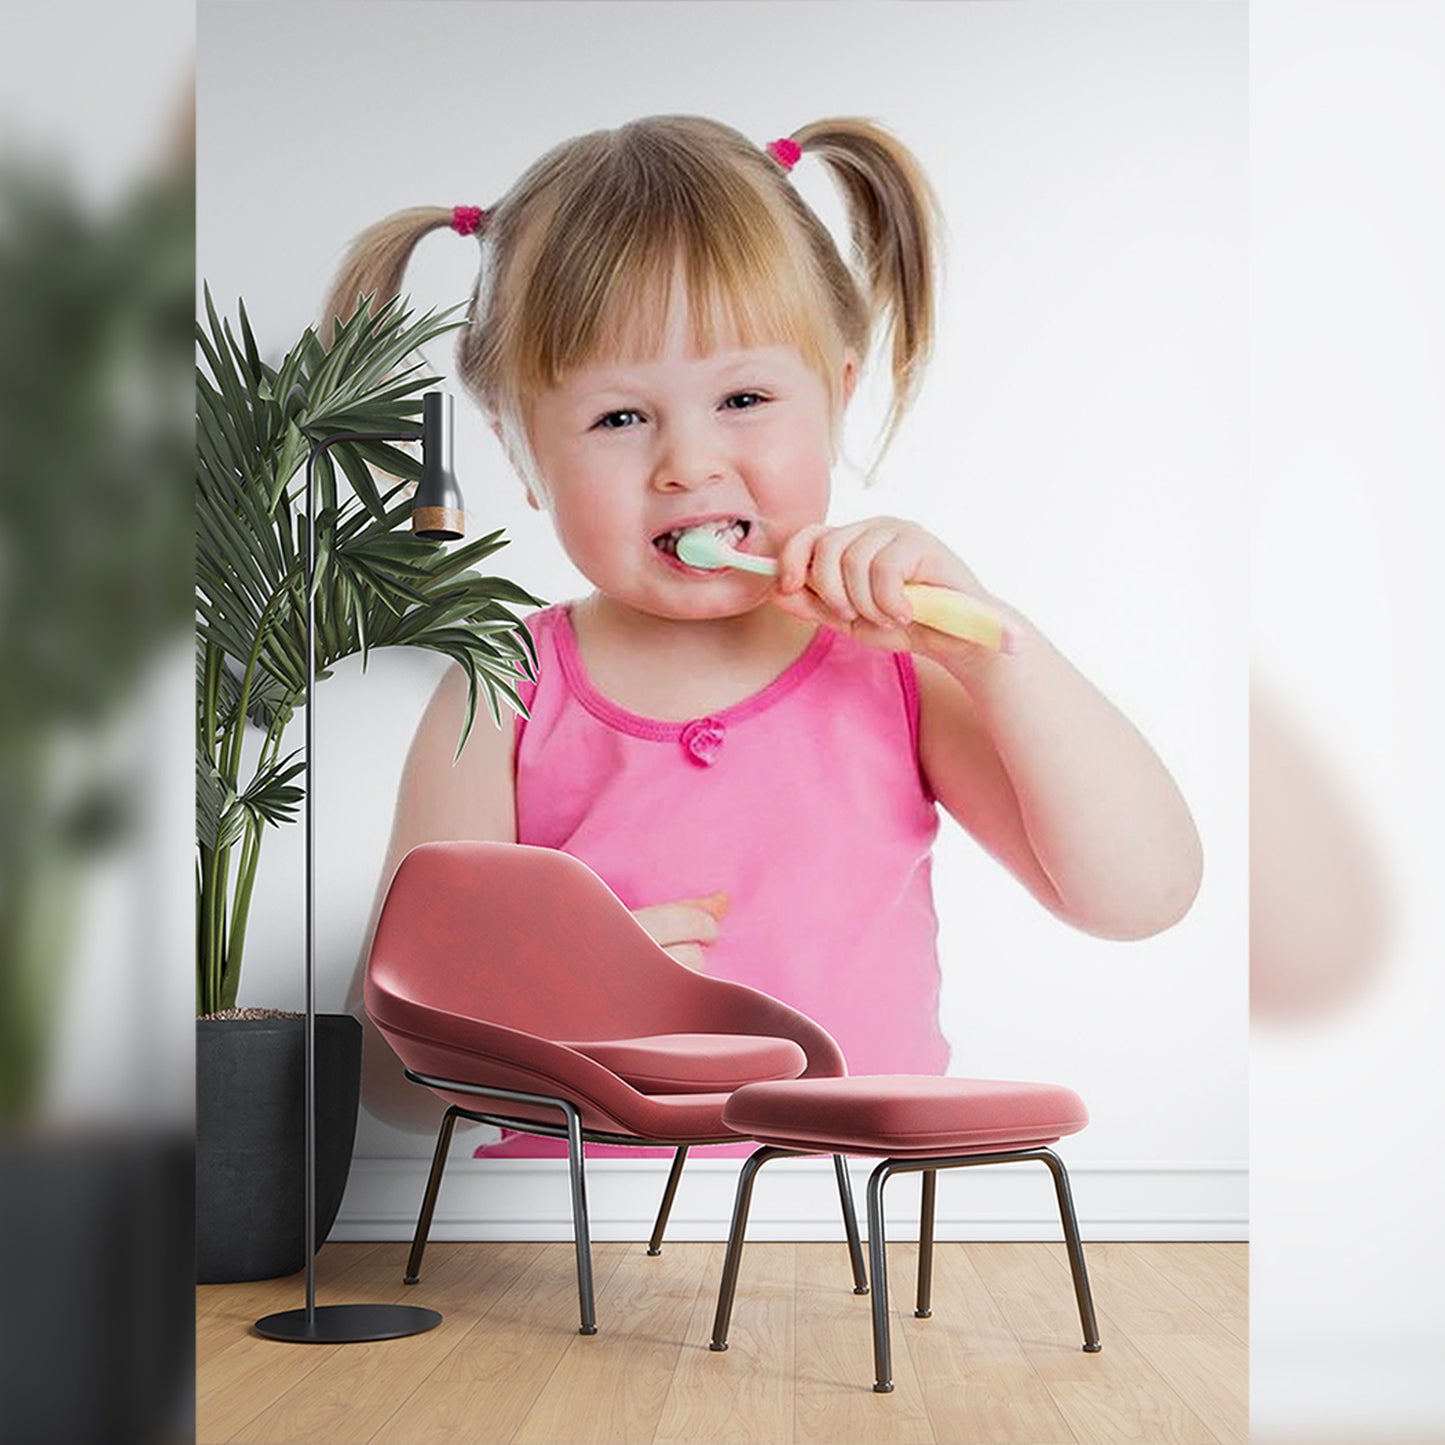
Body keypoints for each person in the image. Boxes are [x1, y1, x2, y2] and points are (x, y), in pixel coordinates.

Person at [332, 115, 1203, 1147]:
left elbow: (1138, 893)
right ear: (520, 449)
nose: (688, 463)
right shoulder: (502, 688)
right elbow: (388, 1073)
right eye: (619, 418)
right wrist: (533, 1008)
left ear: (833, 394)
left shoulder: (896, 663)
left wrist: (989, 649)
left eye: (742, 396)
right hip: (580, 1235)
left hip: (853, 1211)